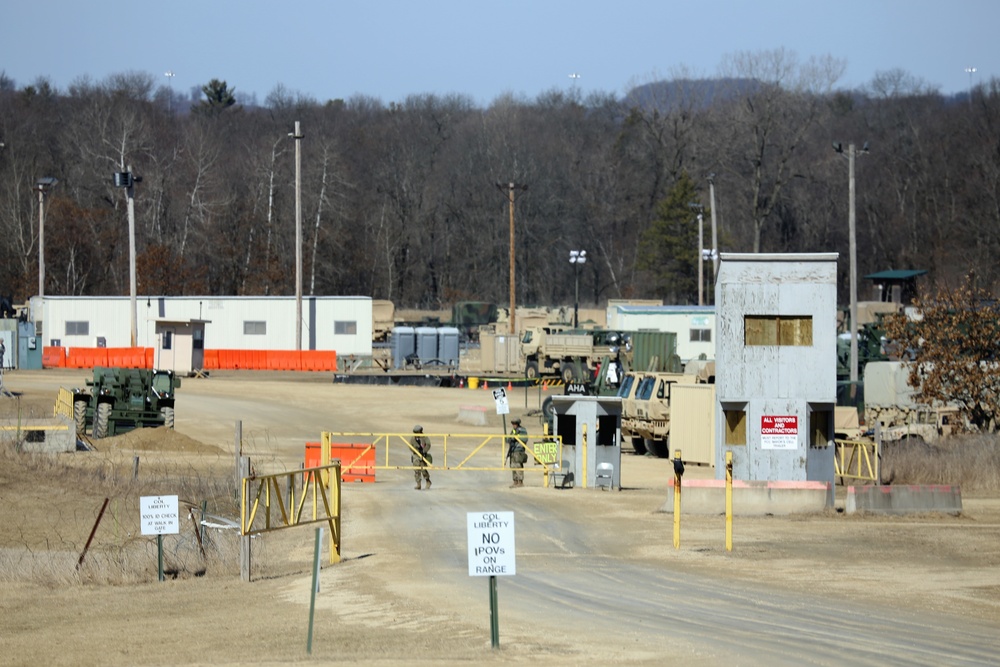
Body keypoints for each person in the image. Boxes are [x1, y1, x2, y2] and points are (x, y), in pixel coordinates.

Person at [506, 417, 528, 488]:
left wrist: (516, 437)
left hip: (519, 450)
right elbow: (509, 439)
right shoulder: (513, 431)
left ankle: (520, 481)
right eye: (513, 424)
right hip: (513, 450)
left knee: (518, 465)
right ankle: (515, 481)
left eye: (515, 424)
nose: (514, 425)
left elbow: (525, 438)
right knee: (513, 466)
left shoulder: (522, 430)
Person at [410, 425, 432, 490]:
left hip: (423, 455)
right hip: (416, 455)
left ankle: (428, 481)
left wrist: (424, 451)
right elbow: (410, 446)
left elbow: (428, 444)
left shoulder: (424, 437)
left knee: (423, 469)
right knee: (416, 470)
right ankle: (418, 484)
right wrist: (415, 451)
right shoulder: (413, 438)